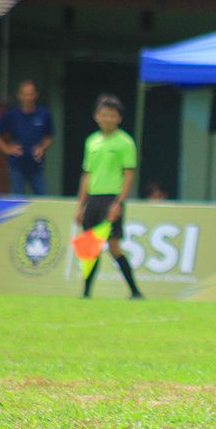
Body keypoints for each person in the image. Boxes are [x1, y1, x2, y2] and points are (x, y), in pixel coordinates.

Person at [74, 94, 143, 300]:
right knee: (90, 248)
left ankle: (135, 291)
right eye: (104, 115)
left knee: (113, 247)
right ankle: (86, 294)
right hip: (93, 200)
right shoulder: (91, 142)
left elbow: (128, 174)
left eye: (112, 115)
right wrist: (80, 205)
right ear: (96, 116)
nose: (107, 119)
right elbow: (86, 174)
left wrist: (118, 202)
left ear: (119, 118)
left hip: (111, 199)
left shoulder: (125, 142)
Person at [0, 80, 55, 196]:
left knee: (43, 198)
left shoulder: (44, 114)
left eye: (31, 94)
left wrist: (41, 147)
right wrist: (6, 148)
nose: (28, 97)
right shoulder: (12, 115)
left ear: (35, 95)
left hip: (36, 165)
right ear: (20, 96)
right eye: (25, 94)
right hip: (17, 165)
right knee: (17, 199)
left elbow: (50, 135)